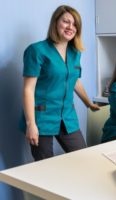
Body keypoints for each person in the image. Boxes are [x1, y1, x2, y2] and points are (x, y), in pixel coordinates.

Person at [22, 5, 100, 161]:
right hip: (42, 118)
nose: (71, 27)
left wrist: (88, 103)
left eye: (75, 24)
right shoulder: (36, 50)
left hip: (67, 116)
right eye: (66, 22)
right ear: (55, 22)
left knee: (83, 159)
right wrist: (31, 124)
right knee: (45, 168)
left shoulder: (75, 52)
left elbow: (74, 79)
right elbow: (28, 90)